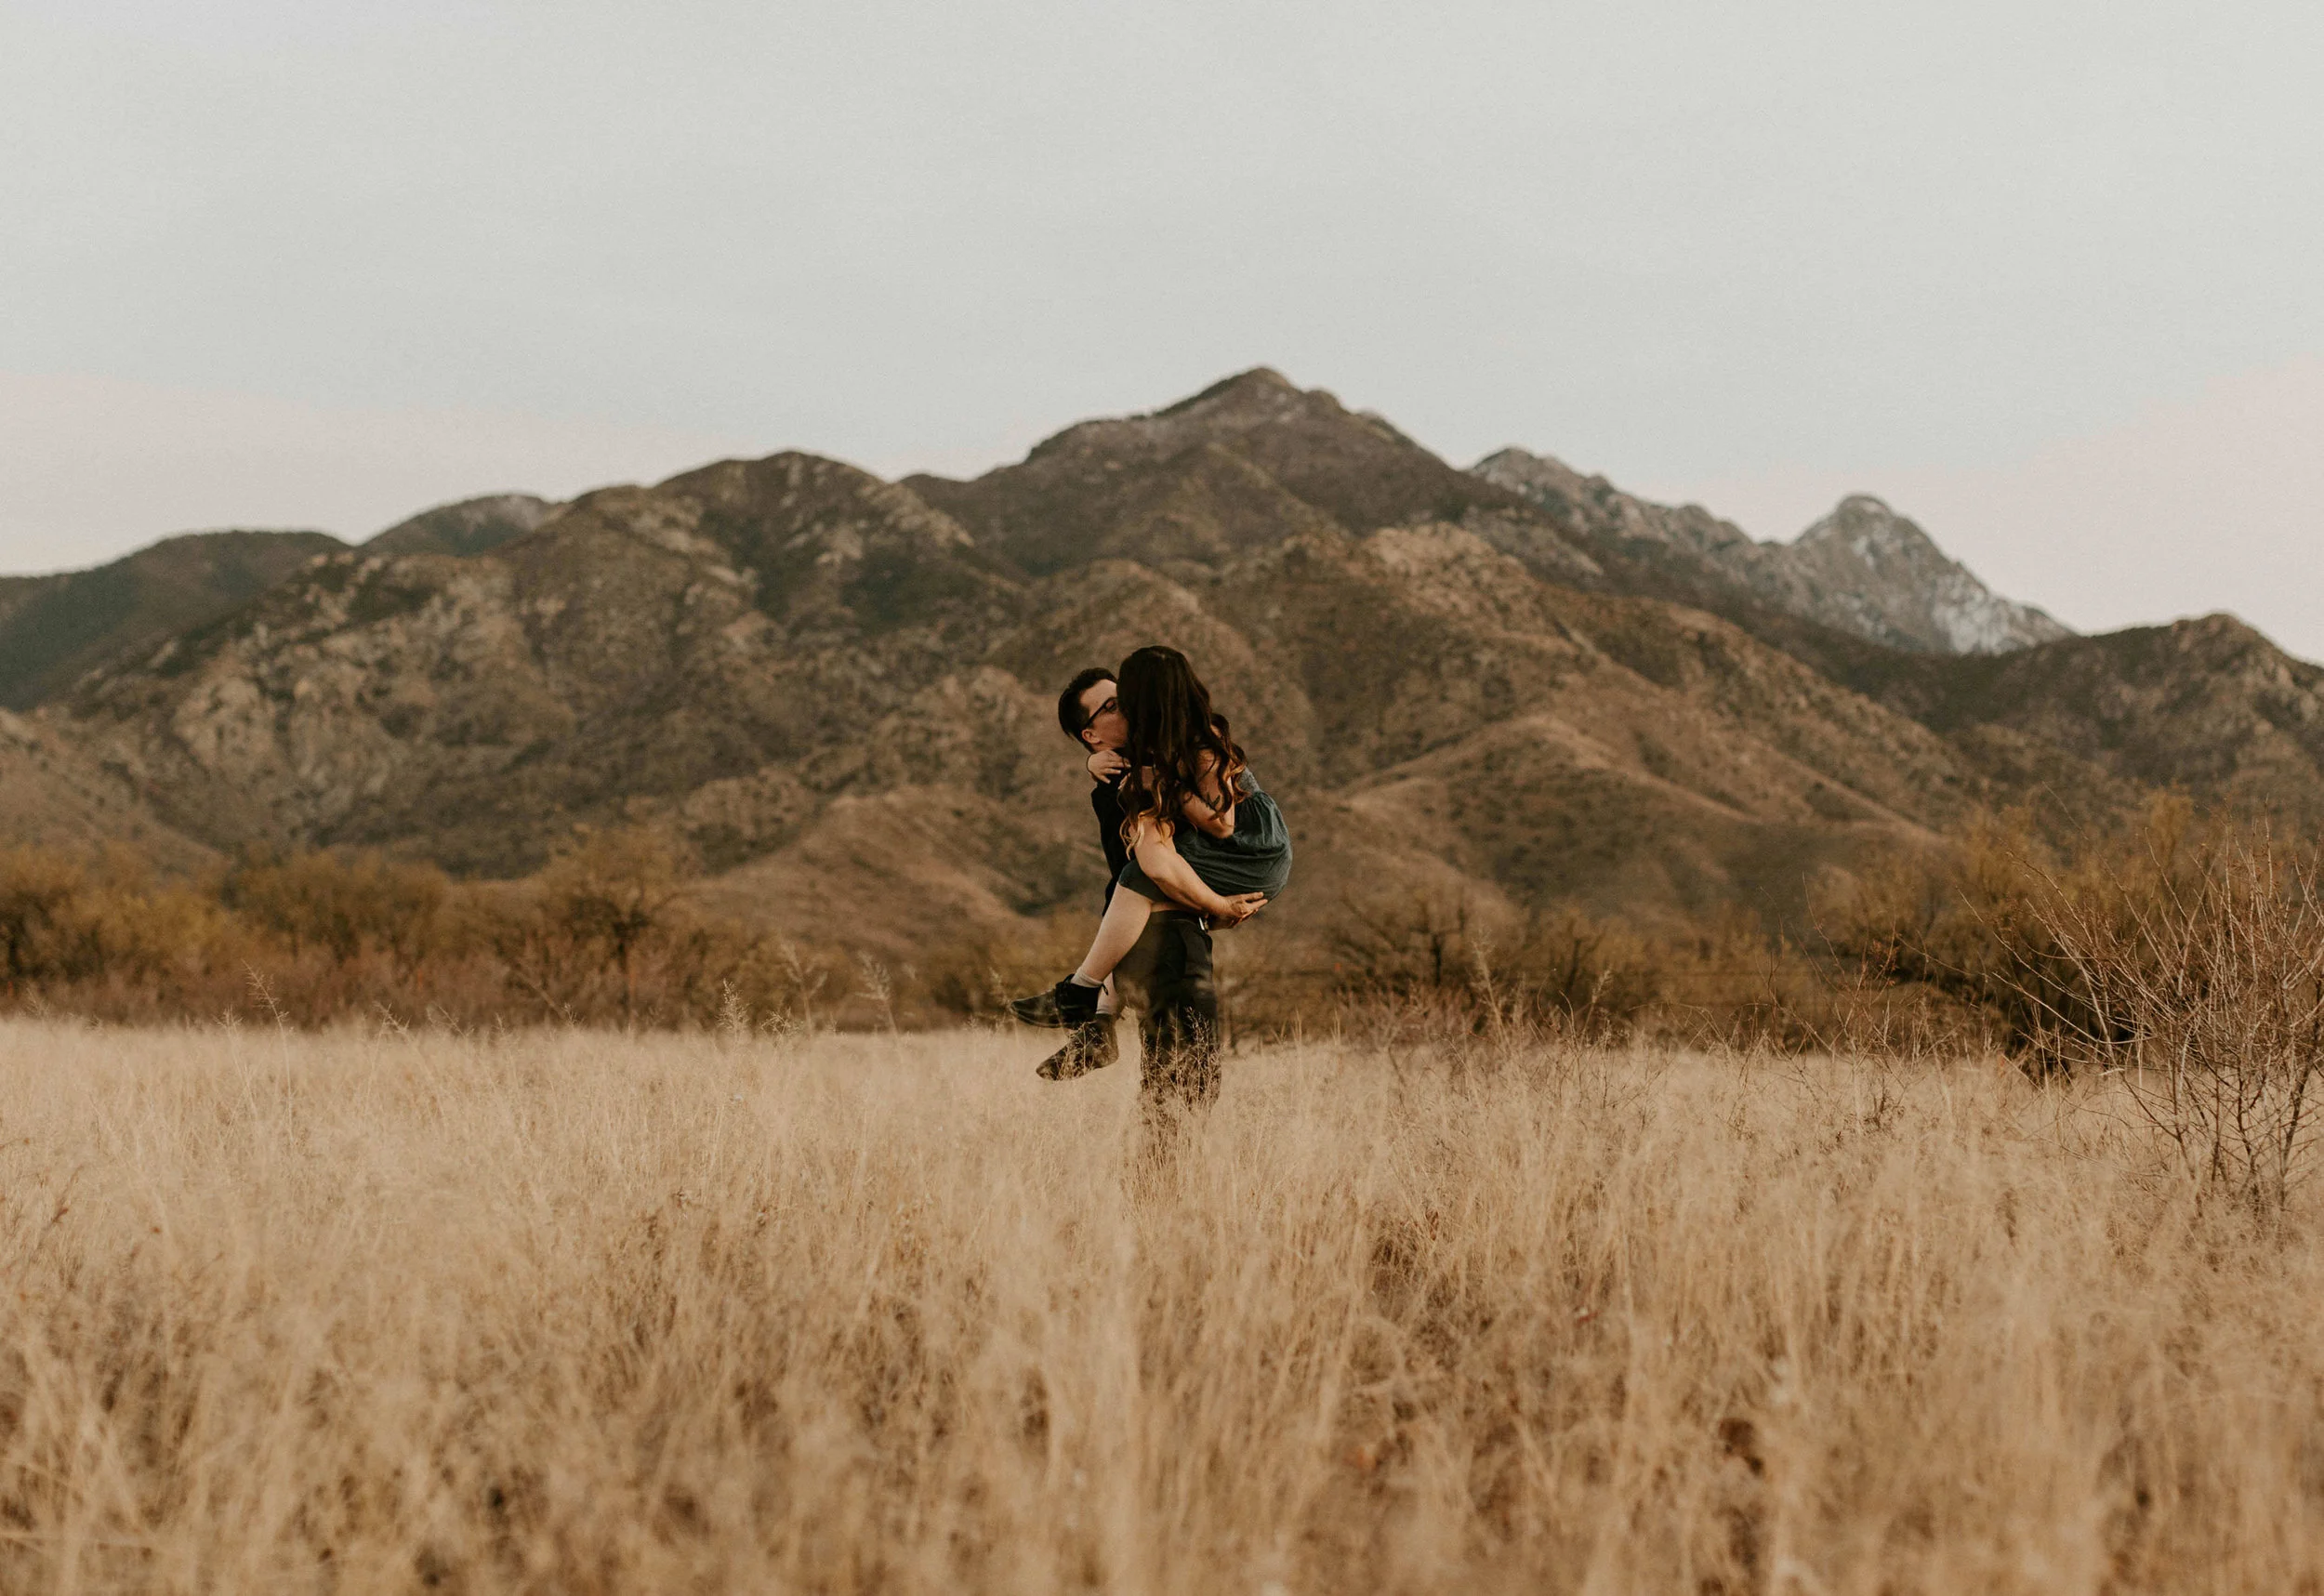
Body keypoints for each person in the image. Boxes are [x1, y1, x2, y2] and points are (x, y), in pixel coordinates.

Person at [1016, 647, 1293, 1115]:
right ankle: (1091, 1009)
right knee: (1179, 1083)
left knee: (1185, 1082)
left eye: (1124, 698)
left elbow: (1210, 829)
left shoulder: (1173, 750)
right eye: (1111, 707)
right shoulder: (1124, 779)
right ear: (1091, 736)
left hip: (1198, 905)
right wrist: (1221, 907)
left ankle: (1086, 1003)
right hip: (1163, 938)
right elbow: (1145, 871)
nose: (1125, 708)